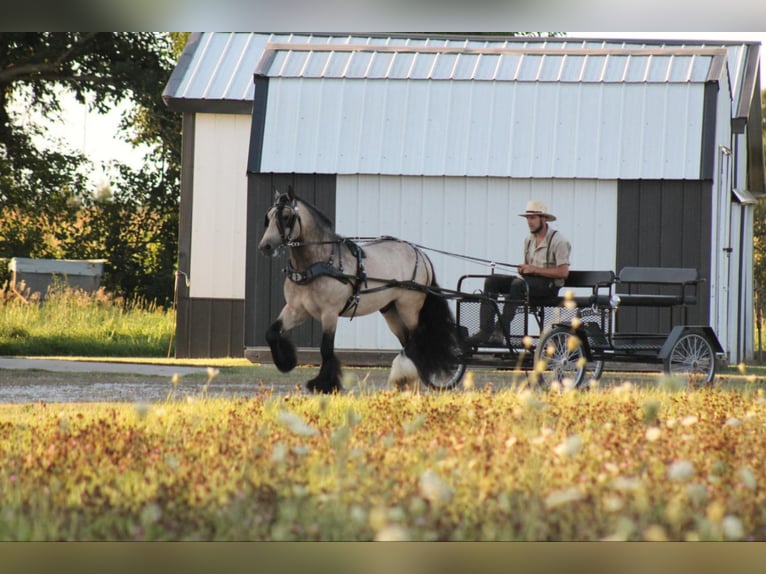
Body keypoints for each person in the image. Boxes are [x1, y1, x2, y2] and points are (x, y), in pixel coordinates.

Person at [466, 200, 571, 346]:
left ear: (544, 219)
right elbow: (527, 269)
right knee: (492, 281)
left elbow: (563, 272)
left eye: (533, 218)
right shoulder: (528, 240)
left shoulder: (558, 241)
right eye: (528, 218)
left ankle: (500, 330)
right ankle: (485, 330)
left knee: (518, 284)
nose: (529, 222)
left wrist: (534, 269)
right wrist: (524, 269)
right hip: (528, 284)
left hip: (549, 287)